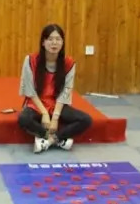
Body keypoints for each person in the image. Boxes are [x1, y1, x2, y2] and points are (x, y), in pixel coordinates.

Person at [18, 24, 93, 153]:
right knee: (24, 119)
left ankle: (50, 141)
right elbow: (29, 90)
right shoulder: (31, 60)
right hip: (36, 105)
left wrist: (55, 118)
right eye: (50, 39)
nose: (54, 43)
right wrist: (44, 113)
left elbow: (65, 91)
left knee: (86, 120)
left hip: (57, 105)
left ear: (62, 43)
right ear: (43, 42)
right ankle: (53, 138)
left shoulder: (68, 63)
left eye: (58, 39)